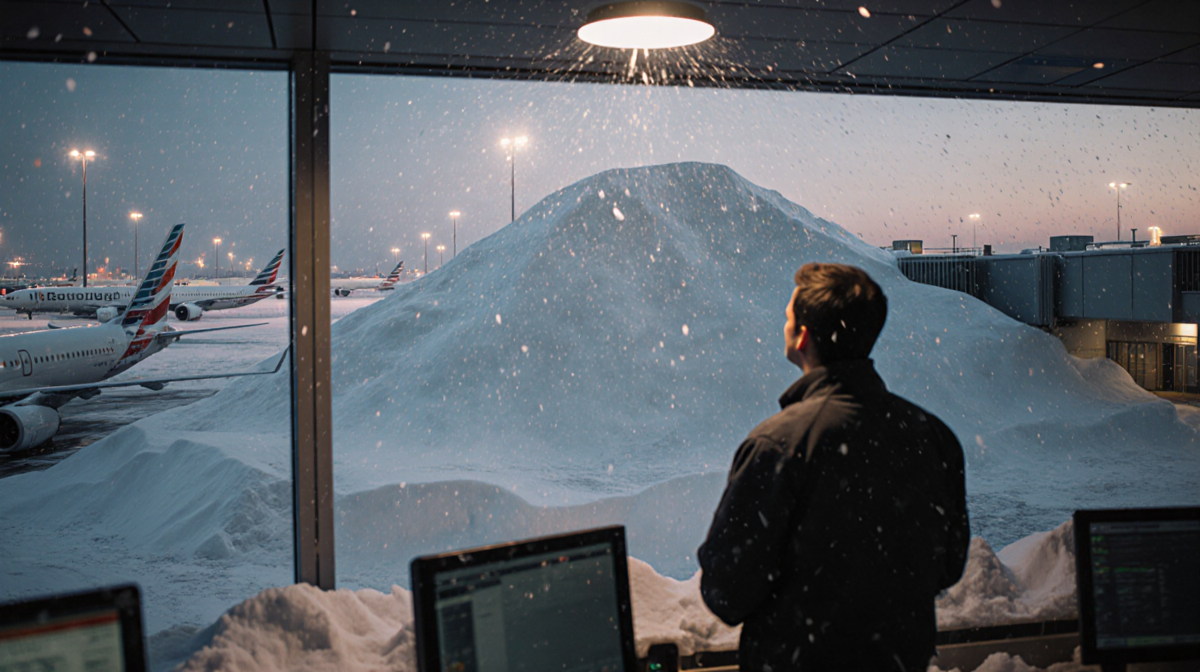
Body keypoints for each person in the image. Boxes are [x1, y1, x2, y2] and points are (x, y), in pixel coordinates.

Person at [698, 262, 970, 672]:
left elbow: (727, 591)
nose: (785, 325)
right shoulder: (933, 437)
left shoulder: (777, 446)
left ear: (802, 336)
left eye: (788, 317)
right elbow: (948, 566)